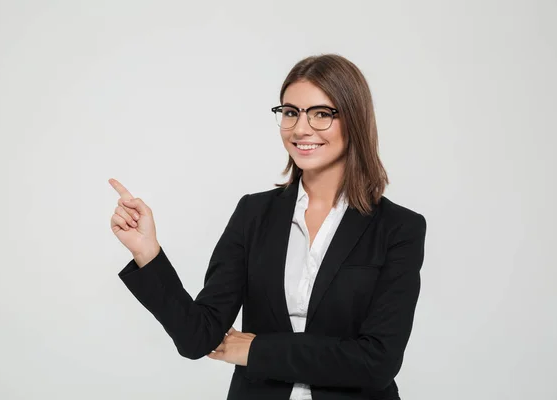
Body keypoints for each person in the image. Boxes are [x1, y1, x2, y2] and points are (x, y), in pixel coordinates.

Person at [109, 53, 427, 400]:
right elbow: (198, 337)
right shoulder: (254, 213)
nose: (301, 128)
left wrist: (253, 351)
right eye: (291, 112)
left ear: (354, 119)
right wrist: (147, 253)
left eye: (321, 114)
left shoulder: (399, 228)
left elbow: (376, 362)